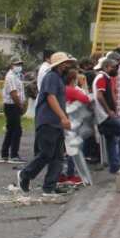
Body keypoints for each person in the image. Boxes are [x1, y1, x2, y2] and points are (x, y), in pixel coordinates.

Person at [18, 53, 77, 195]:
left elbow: (60, 101)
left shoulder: (58, 79)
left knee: (58, 157)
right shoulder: (51, 77)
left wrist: (64, 117)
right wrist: (63, 117)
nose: (66, 65)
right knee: (46, 153)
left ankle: (49, 186)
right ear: (58, 65)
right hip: (47, 121)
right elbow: (51, 98)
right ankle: (25, 174)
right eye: (64, 63)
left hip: (56, 123)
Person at [93, 54, 120, 174]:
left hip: (104, 115)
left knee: (112, 140)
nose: (116, 69)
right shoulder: (102, 78)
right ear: (106, 67)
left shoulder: (105, 78)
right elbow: (100, 96)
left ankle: (115, 167)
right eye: (114, 67)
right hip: (105, 115)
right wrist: (109, 111)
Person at [0, 57, 27, 164]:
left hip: (13, 105)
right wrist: (20, 105)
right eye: (17, 64)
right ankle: (13, 155)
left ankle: (4, 154)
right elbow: (13, 93)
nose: (19, 66)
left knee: (10, 130)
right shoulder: (10, 76)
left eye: (20, 64)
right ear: (11, 65)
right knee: (16, 130)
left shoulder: (16, 76)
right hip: (12, 105)